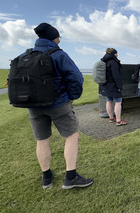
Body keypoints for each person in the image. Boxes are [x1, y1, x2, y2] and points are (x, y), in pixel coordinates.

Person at [27, 23, 93, 189]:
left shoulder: (27, 54)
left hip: (34, 105)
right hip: (57, 103)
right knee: (71, 136)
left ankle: (46, 177)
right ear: (54, 38)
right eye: (59, 37)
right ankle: (71, 177)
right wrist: (71, 97)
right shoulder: (58, 54)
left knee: (42, 140)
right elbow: (76, 78)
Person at [100, 48, 128, 125]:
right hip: (114, 85)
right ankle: (118, 121)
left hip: (106, 85)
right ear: (114, 54)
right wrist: (119, 87)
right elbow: (116, 76)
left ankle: (111, 118)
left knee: (108, 101)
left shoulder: (104, 62)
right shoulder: (113, 62)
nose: (117, 55)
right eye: (116, 53)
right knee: (118, 102)